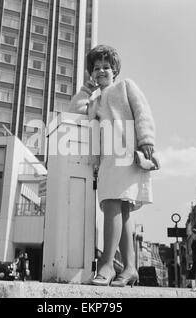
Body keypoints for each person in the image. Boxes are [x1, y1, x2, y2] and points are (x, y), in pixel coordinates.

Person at [69, 45, 156, 287]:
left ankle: (107, 265)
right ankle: (130, 268)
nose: (101, 71)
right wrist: (86, 89)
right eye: (96, 68)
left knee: (111, 205)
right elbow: (74, 112)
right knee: (122, 211)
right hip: (108, 159)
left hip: (126, 154)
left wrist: (147, 139)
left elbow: (142, 111)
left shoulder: (125, 85)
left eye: (106, 67)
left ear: (115, 70)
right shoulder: (94, 99)